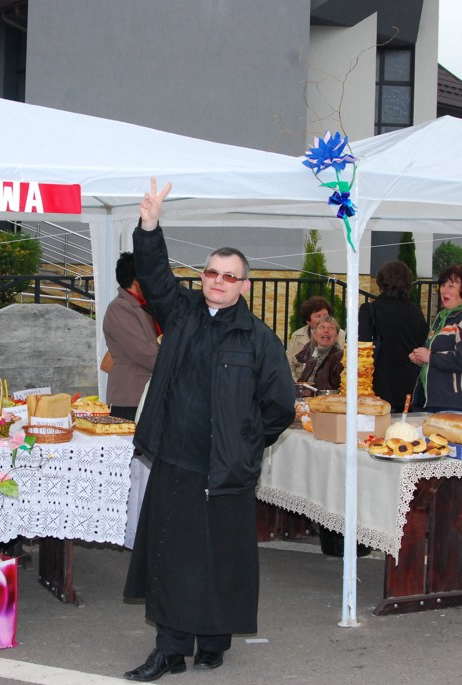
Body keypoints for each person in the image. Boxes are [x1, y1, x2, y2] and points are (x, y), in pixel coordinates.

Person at [123, 179, 295, 682]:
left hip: (226, 470)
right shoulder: (181, 314)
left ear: (245, 285)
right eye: (212, 272)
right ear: (203, 277)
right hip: (175, 459)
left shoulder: (260, 340)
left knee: (222, 560)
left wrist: (243, 443)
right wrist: (149, 225)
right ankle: (170, 650)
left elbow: (279, 407)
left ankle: (215, 639)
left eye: (229, 276)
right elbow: (154, 274)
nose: (219, 281)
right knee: (172, 558)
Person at [408, 263, 462, 412]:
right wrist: (420, 358)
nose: (444, 290)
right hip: (432, 401)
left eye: (451, 286)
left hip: (455, 405)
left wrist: (430, 357)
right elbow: (436, 355)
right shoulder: (443, 318)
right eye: (443, 285)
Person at [357, 260, 429, 413]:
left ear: (380, 282)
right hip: (408, 387)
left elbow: (361, 347)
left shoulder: (369, 310)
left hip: (376, 386)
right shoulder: (416, 313)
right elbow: (422, 342)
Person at [103, 252, 160, 420]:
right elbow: (144, 353)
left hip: (145, 395)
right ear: (136, 281)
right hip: (130, 398)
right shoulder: (120, 308)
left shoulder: (142, 306)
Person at [286, 295, 345, 379]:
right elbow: (289, 364)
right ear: (308, 321)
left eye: (325, 315)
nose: (323, 319)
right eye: (318, 316)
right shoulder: (297, 335)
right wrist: (296, 384)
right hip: (299, 382)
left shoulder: (340, 335)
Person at [295, 315, 344, 391]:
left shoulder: (340, 357)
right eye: (322, 327)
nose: (326, 331)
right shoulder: (311, 352)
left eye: (331, 328)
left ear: (336, 336)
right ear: (314, 334)